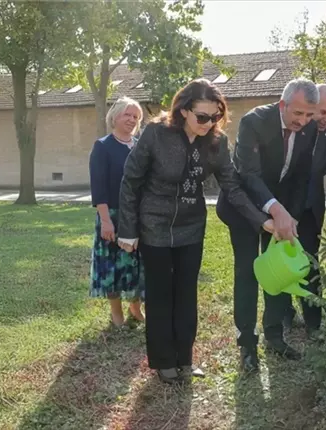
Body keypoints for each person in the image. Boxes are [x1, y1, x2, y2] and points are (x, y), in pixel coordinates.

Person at [117, 79, 273, 384]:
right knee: (161, 294)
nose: (209, 123)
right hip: (154, 225)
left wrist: (261, 220)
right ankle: (164, 362)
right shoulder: (156, 134)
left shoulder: (216, 143)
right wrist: (128, 229)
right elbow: (131, 181)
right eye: (202, 117)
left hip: (191, 227)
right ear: (184, 110)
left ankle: (185, 360)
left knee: (186, 294)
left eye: (215, 117)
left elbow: (233, 188)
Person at [216, 78, 320, 372]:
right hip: (246, 210)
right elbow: (248, 173)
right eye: (298, 113)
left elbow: (302, 175)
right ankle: (247, 344)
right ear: (283, 104)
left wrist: (292, 214)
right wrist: (274, 210)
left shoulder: (309, 128)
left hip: (283, 209)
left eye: (309, 115)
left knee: (279, 272)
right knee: (248, 272)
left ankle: (275, 337)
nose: (303, 121)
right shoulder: (255, 121)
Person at [285, 83, 326, 336]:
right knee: (283, 260)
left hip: (312, 207)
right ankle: (283, 314)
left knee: (311, 262)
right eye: (322, 112)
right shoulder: (294, 126)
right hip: (284, 206)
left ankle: (313, 321)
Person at [89, 96, 146, 327]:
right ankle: (116, 313)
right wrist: (105, 221)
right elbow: (98, 187)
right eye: (127, 115)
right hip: (112, 215)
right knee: (112, 266)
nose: (132, 120)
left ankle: (135, 307)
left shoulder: (141, 146)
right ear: (115, 116)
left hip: (139, 216)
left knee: (137, 263)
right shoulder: (103, 146)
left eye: (136, 116)